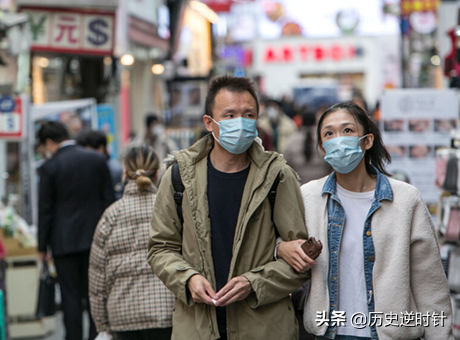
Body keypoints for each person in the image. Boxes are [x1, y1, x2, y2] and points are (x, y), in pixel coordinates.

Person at [148, 76, 309, 340]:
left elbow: (300, 259)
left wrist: (253, 283)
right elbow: (160, 248)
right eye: (230, 115)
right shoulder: (178, 177)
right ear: (209, 123)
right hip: (198, 328)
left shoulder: (277, 176)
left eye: (248, 115)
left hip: (265, 329)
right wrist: (187, 279)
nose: (240, 123)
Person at [277, 102, 452, 340]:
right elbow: (277, 245)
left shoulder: (405, 199)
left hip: (391, 333)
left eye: (347, 130)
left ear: (367, 141)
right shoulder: (308, 197)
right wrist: (281, 247)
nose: (338, 139)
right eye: (329, 133)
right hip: (329, 332)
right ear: (323, 147)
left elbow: (429, 284)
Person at [37, 121, 116, 340]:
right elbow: (108, 201)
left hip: (63, 242)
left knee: (70, 296)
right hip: (96, 239)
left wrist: (41, 247)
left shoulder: (49, 168)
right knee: (95, 295)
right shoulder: (97, 160)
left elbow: (45, 211)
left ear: (49, 143)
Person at [89, 146, 174, 340]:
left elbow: (97, 279)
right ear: (157, 174)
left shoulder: (111, 215)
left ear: (125, 173)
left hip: (122, 315)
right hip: (167, 312)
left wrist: (102, 325)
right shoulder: (171, 209)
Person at [283, 110, 332, 184]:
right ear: (315, 122)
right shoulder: (324, 140)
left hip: (299, 185)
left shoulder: (292, 140)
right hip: (321, 184)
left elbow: (286, 163)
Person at [77, 130, 124, 199]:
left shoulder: (114, 169)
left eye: (86, 150)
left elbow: (117, 197)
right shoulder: (84, 168)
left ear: (100, 149)